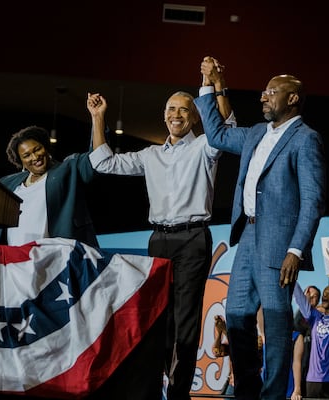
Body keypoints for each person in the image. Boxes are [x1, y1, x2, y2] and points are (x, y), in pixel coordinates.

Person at [86, 59, 235, 400]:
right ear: (164, 115)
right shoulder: (150, 155)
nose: (176, 114)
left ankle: (179, 394)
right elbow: (103, 162)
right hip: (159, 241)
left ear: (195, 116)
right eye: (171, 108)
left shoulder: (205, 147)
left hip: (193, 238)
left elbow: (227, 125)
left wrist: (212, 82)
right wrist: (98, 118)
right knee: (155, 321)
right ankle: (152, 389)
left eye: (184, 109)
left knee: (184, 322)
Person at [194, 59, 326, 400]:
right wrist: (209, 84)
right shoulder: (255, 133)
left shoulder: (305, 139)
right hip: (248, 237)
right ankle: (247, 392)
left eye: (272, 92)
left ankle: (272, 396)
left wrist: (296, 250)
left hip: (279, 246)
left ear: (293, 98)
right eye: (264, 92)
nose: (264, 97)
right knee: (236, 317)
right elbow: (218, 134)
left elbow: (313, 201)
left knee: (277, 325)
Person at [0, 125, 99, 247]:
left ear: (45, 147)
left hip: (56, 256)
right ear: (21, 162)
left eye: (37, 149)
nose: (35, 157)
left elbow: (97, 157)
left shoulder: (67, 169)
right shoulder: (8, 183)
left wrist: (97, 117)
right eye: (27, 155)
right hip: (14, 258)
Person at [293, 249, 329, 398]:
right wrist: (291, 272)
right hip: (313, 380)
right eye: (324, 293)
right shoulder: (315, 317)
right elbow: (299, 298)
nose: (325, 296)